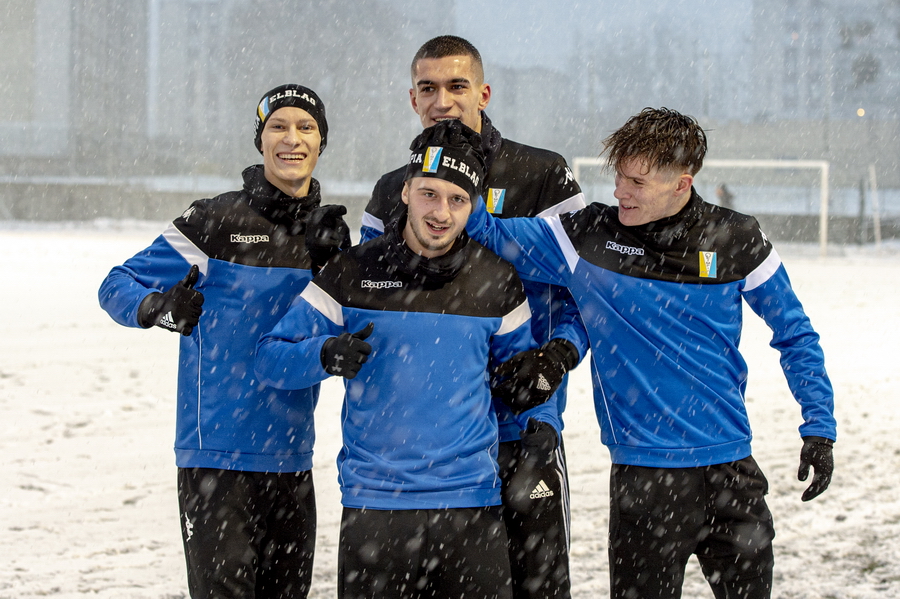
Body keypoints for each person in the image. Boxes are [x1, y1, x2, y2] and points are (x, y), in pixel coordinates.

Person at [465, 107, 837, 599]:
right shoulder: (587, 237)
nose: (621, 191)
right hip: (645, 483)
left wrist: (819, 427)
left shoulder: (737, 238)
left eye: (637, 182)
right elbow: (484, 231)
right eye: (619, 176)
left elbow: (796, 334)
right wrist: (455, 161)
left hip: (732, 474)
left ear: (682, 184)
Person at [255, 120, 576, 599]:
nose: (441, 212)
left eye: (458, 199)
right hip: (375, 512)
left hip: (472, 509)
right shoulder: (352, 271)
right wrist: (323, 353)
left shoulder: (498, 281)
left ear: (475, 206)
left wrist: (540, 430)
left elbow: (525, 384)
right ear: (405, 191)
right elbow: (270, 358)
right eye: (429, 193)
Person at [98, 84, 349, 599]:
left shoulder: (328, 235)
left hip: (291, 458)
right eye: (278, 126)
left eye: (306, 128)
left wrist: (332, 266)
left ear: (322, 142)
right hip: (215, 459)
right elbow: (117, 283)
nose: (292, 139)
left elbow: (339, 335)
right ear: (260, 139)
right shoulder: (215, 220)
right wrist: (158, 309)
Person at [360, 34, 588, 599]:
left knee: (537, 589)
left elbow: (591, 292)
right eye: (429, 88)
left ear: (483, 93)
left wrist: (558, 356)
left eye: (457, 86)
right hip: (429, 444)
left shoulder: (542, 175)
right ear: (412, 99)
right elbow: (361, 296)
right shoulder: (394, 190)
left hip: (521, 427)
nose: (444, 100)